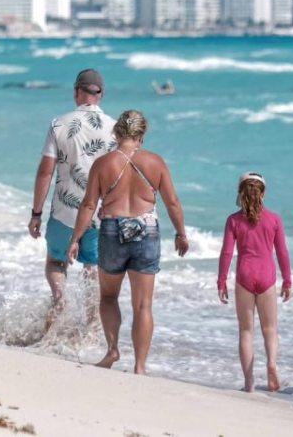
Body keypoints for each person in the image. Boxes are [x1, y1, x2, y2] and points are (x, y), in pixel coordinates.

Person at [68, 109, 188, 375]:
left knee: (108, 296)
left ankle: (112, 349)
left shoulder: (103, 163)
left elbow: (89, 204)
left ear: (117, 132)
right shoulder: (155, 162)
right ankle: (140, 366)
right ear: (141, 135)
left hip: (112, 230)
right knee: (143, 305)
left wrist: (75, 238)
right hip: (147, 232)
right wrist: (181, 233)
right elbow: (172, 202)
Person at [29, 69, 116, 329]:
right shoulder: (113, 128)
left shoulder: (59, 124)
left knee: (56, 262)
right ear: (101, 94)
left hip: (64, 211)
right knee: (92, 266)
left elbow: (46, 171)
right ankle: (90, 326)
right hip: (99, 213)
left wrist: (36, 213)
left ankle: (60, 298)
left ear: (77, 92)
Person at [218, 172, 292, 393]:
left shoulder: (233, 220)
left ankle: (249, 383)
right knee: (270, 329)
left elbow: (226, 253)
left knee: (246, 331)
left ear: (240, 193)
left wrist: (221, 280)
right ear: (264, 193)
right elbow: (282, 253)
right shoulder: (274, 219)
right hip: (267, 276)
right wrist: (287, 280)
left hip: (245, 275)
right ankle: (271, 363)